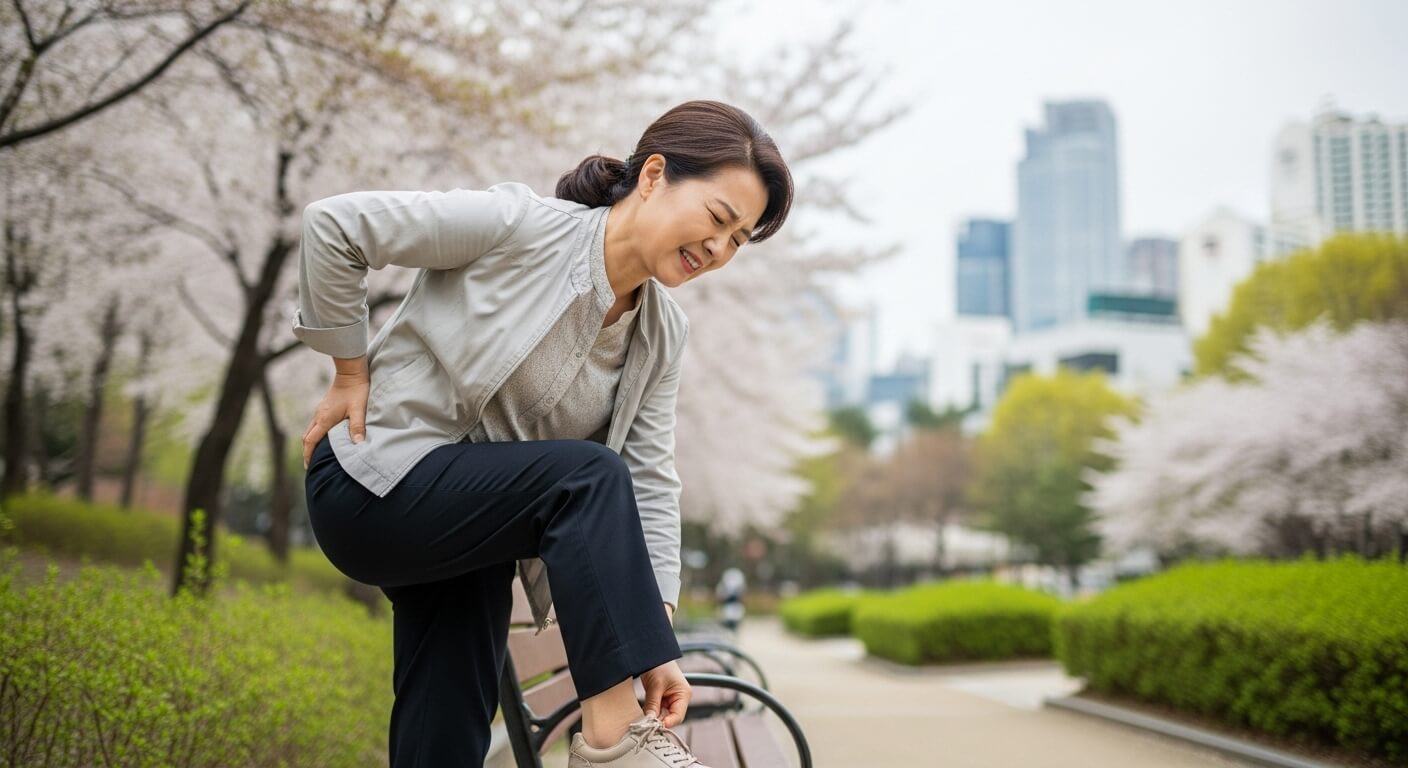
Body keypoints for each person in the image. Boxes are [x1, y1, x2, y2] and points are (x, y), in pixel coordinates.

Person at [296, 99, 793, 767]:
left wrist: (657, 642)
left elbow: (651, 479)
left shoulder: (660, 334)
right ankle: (615, 747)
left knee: (446, 725)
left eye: (739, 240)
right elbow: (336, 225)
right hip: (370, 484)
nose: (719, 248)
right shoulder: (521, 226)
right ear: (653, 177)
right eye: (717, 218)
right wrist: (349, 373)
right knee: (588, 477)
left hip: (469, 538)